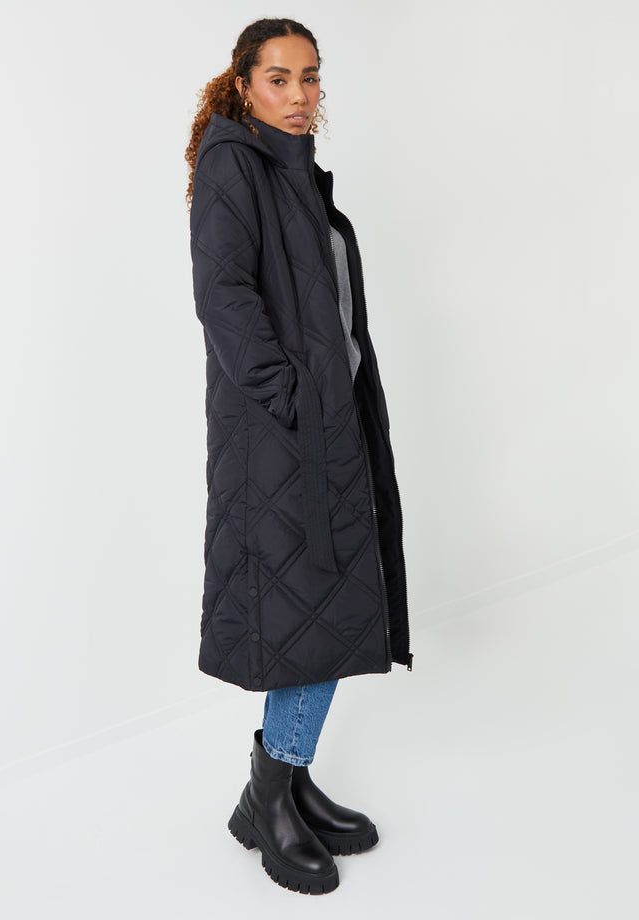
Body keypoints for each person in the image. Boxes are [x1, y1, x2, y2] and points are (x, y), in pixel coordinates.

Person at [185, 17, 413, 895]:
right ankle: (268, 797)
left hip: (325, 425)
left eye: (310, 77)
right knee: (310, 607)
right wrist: (291, 399)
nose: (299, 95)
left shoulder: (293, 172)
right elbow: (223, 296)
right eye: (278, 78)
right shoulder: (234, 166)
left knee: (326, 609)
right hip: (279, 438)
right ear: (244, 83)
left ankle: (287, 783)